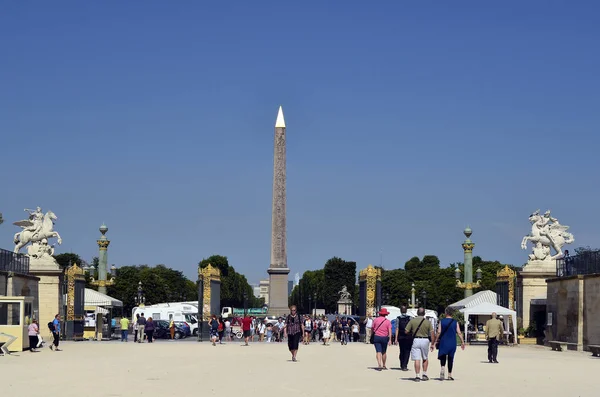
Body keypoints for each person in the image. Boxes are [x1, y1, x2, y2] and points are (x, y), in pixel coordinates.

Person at [405, 307, 434, 382]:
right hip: (425, 340)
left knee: (417, 359)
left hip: (416, 339)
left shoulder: (412, 321)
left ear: (417, 313)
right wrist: (433, 343)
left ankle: (417, 375)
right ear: (424, 313)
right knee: (425, 358)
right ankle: (424, 374)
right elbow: (432, 333)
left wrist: (412, 332)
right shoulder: (428, 322)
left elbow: (406, 331)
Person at [437, 307, 465, 380]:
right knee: (450, 358)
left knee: (443, 356)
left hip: (443, 341)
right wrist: (462, 342)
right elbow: (459, 332)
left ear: (445, 313)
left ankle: (442, 367)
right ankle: (449, 375)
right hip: (452, 342)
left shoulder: (441, 321)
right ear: (452, 313)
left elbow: (439, 332)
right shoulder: (455, 322)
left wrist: (435, 340)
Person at [394, 306, 412, 371]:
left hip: (401, 336)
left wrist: (396, 338)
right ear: (406, 311)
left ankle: (402, 364)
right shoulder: (410, 318)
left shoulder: (398, 318)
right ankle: (405, 365)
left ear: (400, 311)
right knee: (407, 351)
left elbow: (397, 328)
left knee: (401, 351)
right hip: (409, 337)